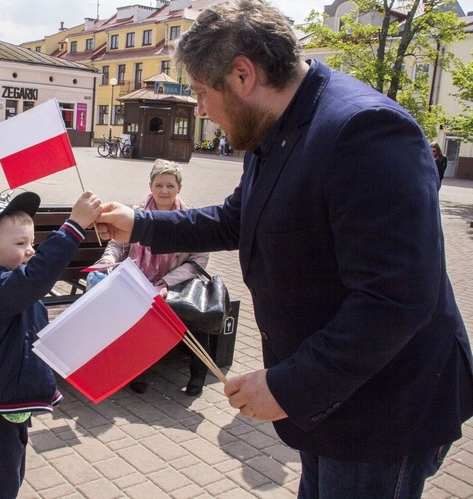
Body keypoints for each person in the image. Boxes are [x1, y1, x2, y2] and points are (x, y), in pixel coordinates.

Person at [95, 1, 473, 497]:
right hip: (330, 400)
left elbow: (396, 298)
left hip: (383, 409)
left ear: (242, 74)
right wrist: (142, 224)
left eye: (203, 94)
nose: (201, 110)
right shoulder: (276, 126)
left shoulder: (365, 131)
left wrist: (290, 385)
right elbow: (237, 218)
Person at [0, 189, 102, 499]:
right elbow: (34, 281)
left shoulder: (8, 281)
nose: (31, 251)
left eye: (32, 243)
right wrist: (72, 227)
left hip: (7, 399)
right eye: (20, 244)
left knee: (10, 478)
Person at [93, 160, 212, 396]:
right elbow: (117, 245)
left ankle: (199, 372)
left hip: (176, 284)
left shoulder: (190, 219)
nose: (164, 191)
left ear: (179, 188)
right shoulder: (136, 215)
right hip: (139, 281)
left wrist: (167, 282)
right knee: (134, 308)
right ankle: (138, 370)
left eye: (170, 185)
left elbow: (199, 261)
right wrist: (107, 260)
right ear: (150, 186)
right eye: (159, 185)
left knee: (197, 319)